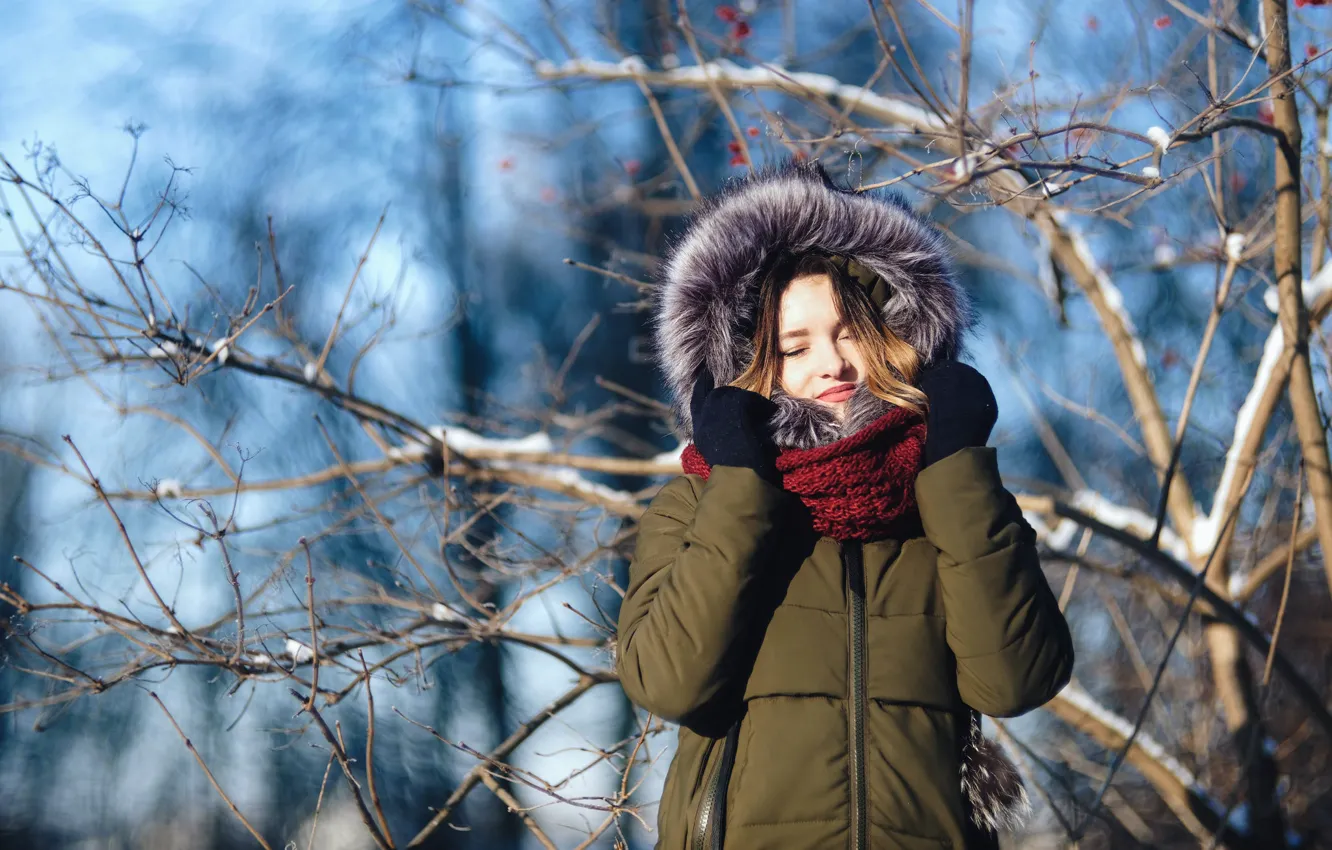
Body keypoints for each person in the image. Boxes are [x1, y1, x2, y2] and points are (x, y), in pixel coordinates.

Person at [615, 161, 1075, 850]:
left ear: (894, 331)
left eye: (850, 332)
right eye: (794, 346)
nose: (831, 364)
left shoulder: (946, 497)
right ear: (745, 365)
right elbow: (670, 683)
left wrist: (954, 466)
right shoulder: (700, 502)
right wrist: (742, 483)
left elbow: (1017, 680)